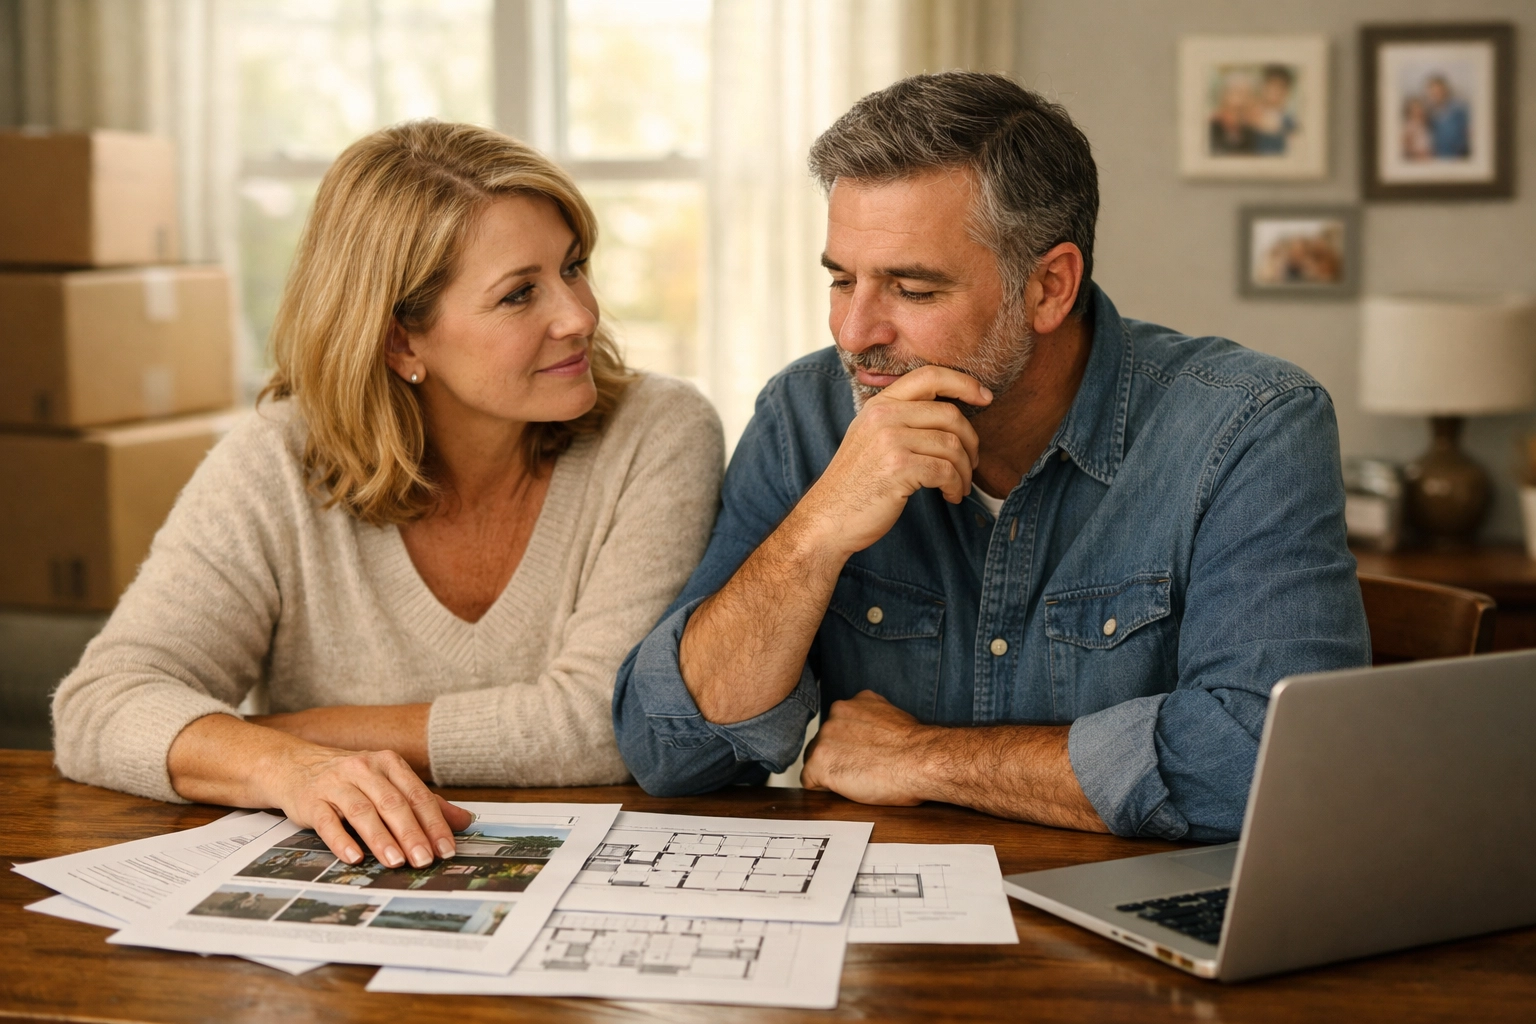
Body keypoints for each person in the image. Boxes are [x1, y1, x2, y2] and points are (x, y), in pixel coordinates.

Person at [613, 72, 1369, 843]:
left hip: (1125, 931)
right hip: (881, 935)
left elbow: (1276, 762)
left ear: (1049, 287)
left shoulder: (1249, 425)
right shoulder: (803, 415)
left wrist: (925, 759)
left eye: (911, 289)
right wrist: (817, 530)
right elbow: (669, 751)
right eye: (842, 280)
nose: (854, 332)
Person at [53, 121, 724, 870]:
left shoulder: (659, 431)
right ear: (402, 341)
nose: (579, 315)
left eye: (574, 267)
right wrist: (287, 769)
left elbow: (612, 722)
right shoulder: (275, 461)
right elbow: (99, 707)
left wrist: (279, 732)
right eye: (519, 294)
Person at [1250, 64, 1296, 155]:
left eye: (1280, 87)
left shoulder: (1289, 122)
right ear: (1263, 87)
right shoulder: (1250, 115)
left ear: (1286, 91)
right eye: (1271, 85)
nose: (1275, 91)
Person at [1423, 75, 1470, 159]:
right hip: (1437, 158)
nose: (1436, 95)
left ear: (1445, 91)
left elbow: (1466, 135)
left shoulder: (1458, 110)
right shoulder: (1429, 114)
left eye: (1439, 92)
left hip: (1457, 156)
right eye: (1433, 93)